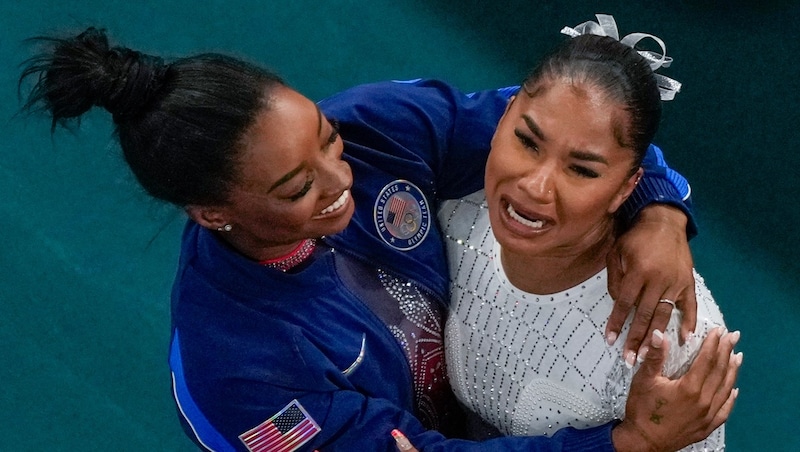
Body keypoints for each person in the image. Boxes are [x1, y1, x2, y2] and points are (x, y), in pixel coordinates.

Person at [19, 25, 739, 452]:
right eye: (297, 189)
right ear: (213, 213)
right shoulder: (241, 372)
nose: (340, 179)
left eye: (326, 141)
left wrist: (658, 206)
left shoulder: (378, 126)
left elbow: (555, 126)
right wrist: (627, 445)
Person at [437, 15, 740, 452]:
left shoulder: (669, 333)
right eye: (527, 142)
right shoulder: (453, 206)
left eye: (581, 170)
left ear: (627, 187)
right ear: (502, 117)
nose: (534, 187)